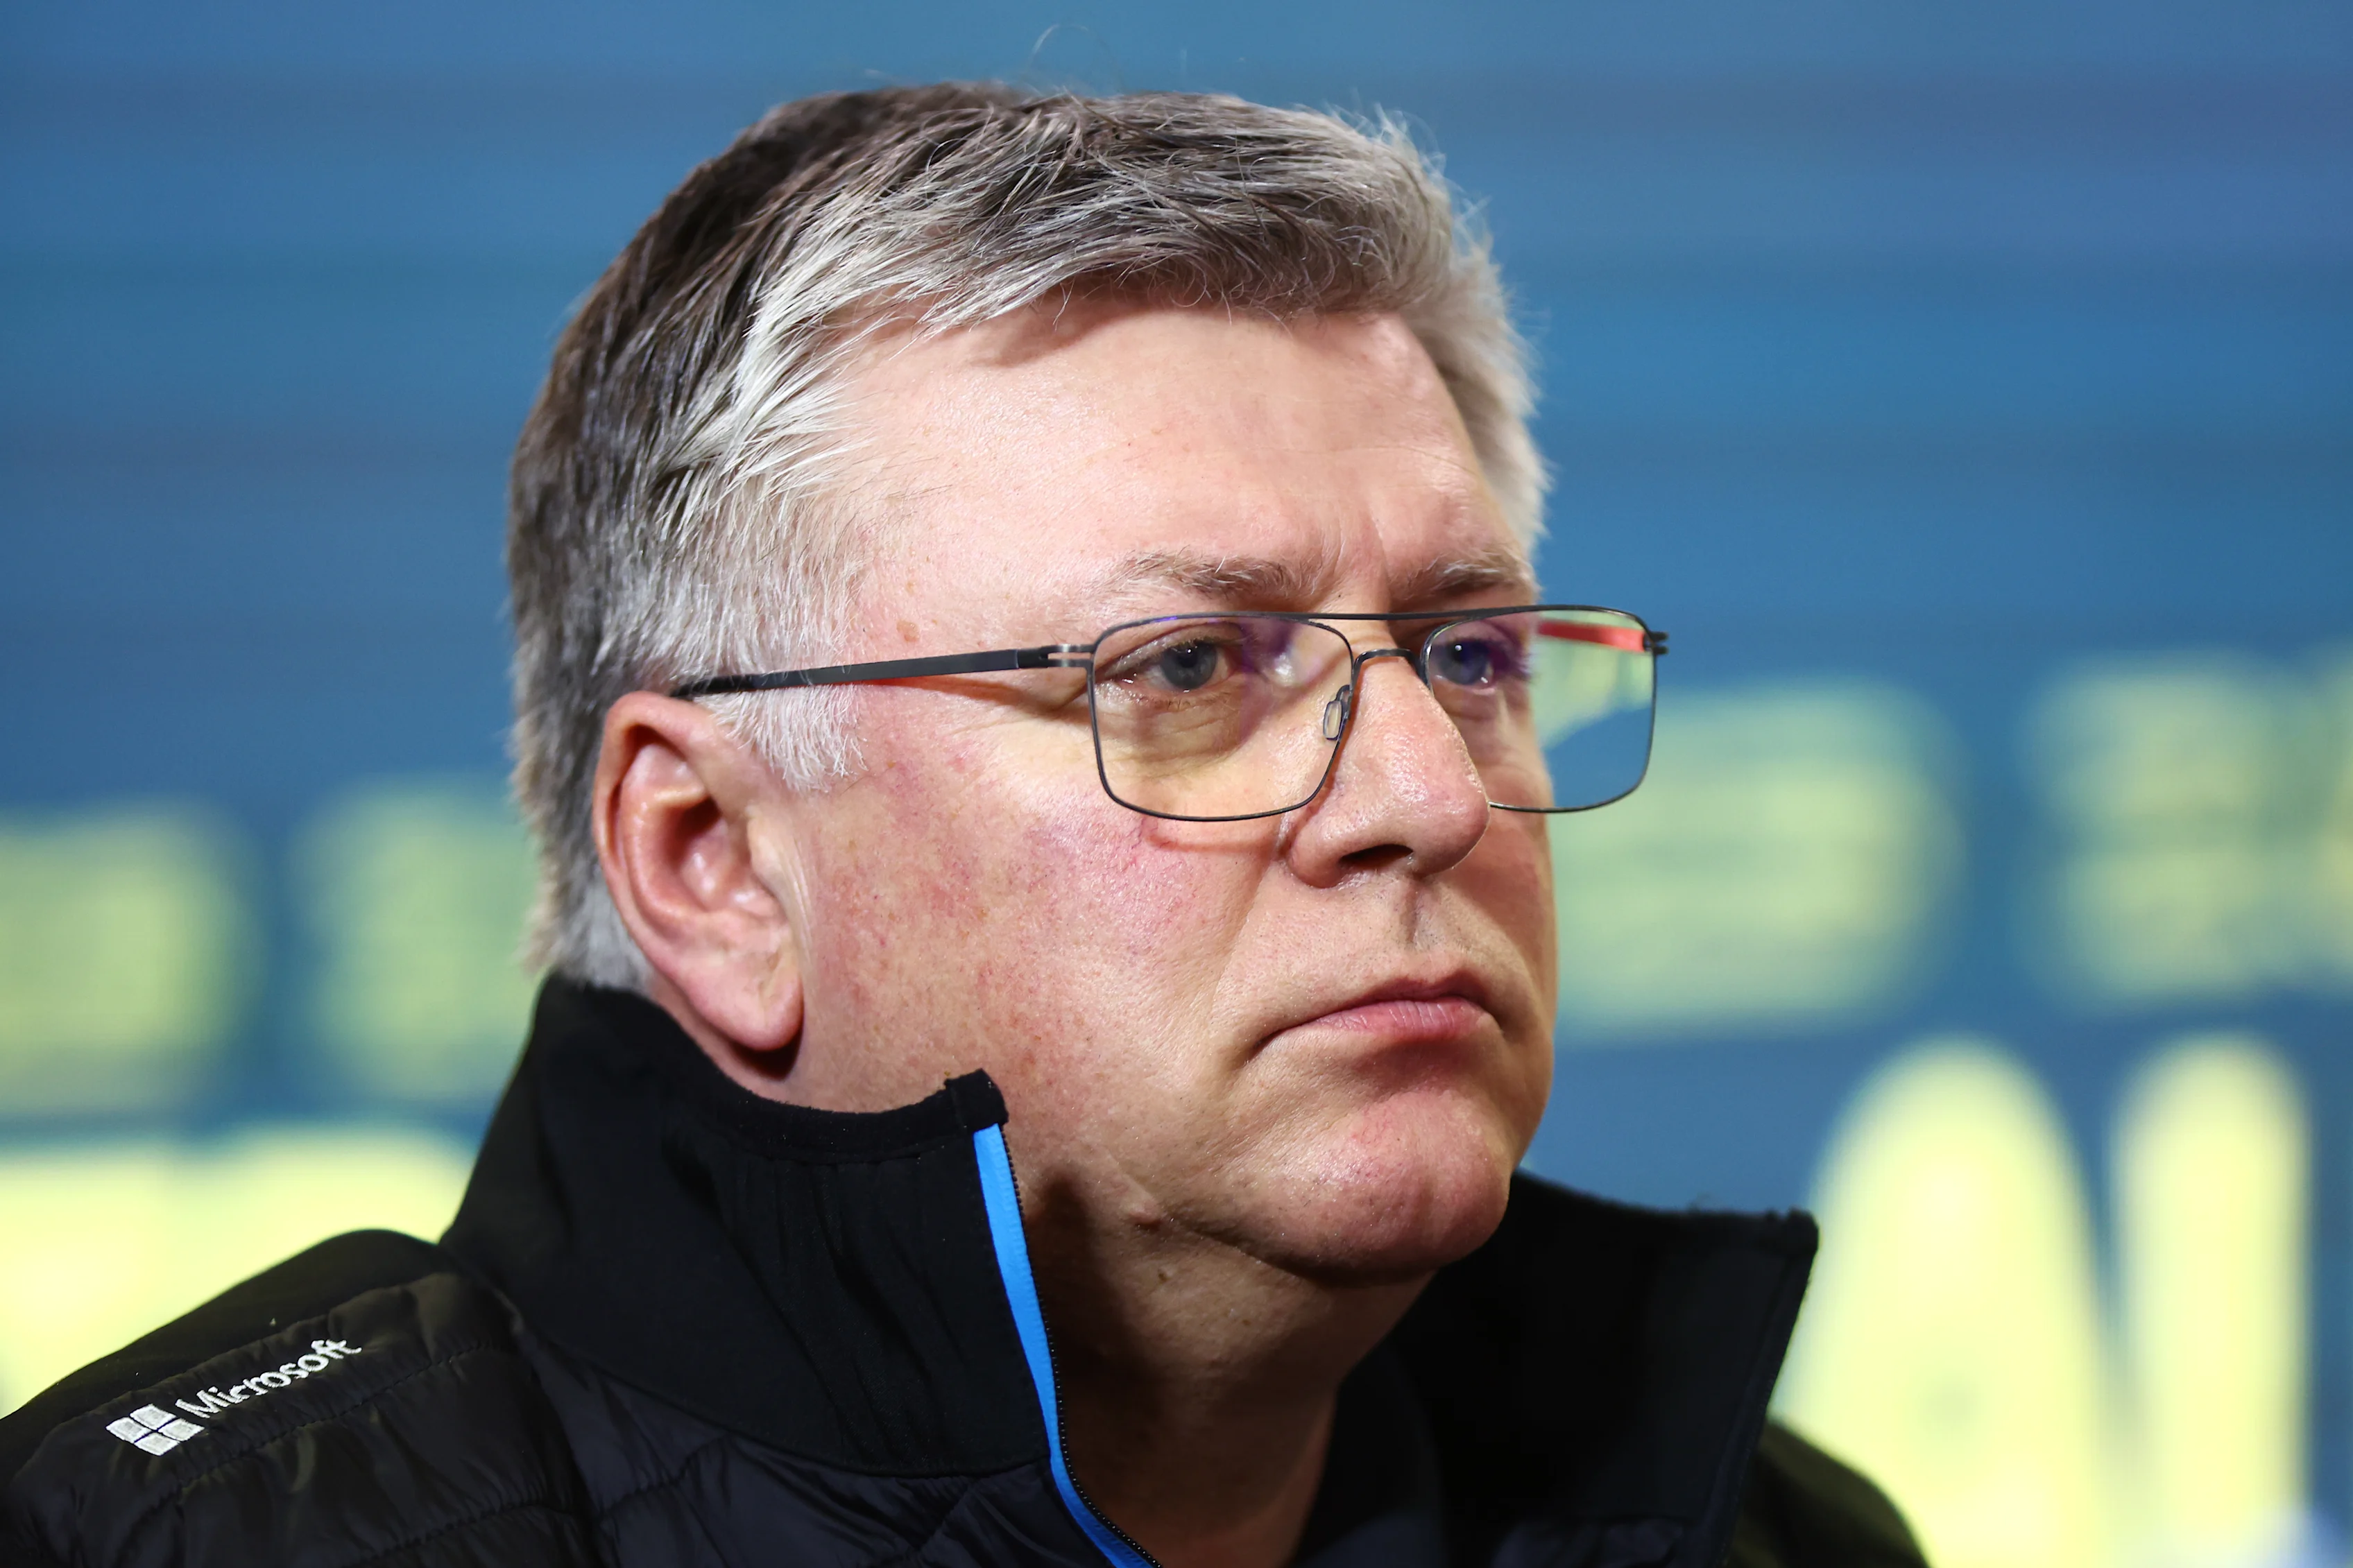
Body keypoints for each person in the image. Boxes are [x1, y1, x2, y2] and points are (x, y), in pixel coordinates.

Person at [0, 84, 1924, 1568]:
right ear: (715, 864)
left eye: (1472, 650)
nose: (1427, 795)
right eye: (1184, 670)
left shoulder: (1776, 1536)